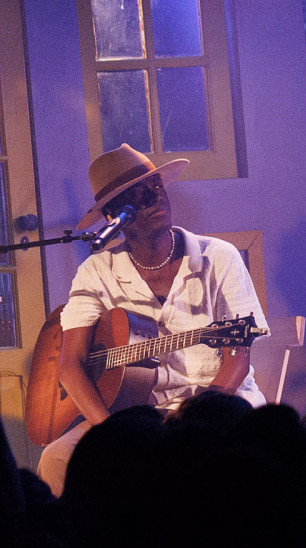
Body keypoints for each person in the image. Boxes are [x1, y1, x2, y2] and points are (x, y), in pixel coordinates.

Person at [36, 144, 268, 495]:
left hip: (216, 406)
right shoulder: (97, 271)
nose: (155, 197)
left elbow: (237, 360)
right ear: (113, 215)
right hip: (134, 416)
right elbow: (71, 366)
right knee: (55, 459)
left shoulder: (219, 258)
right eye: (137, 194)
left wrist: (189, 422)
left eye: (156, 186)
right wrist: (113, 433)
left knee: (213, 463)